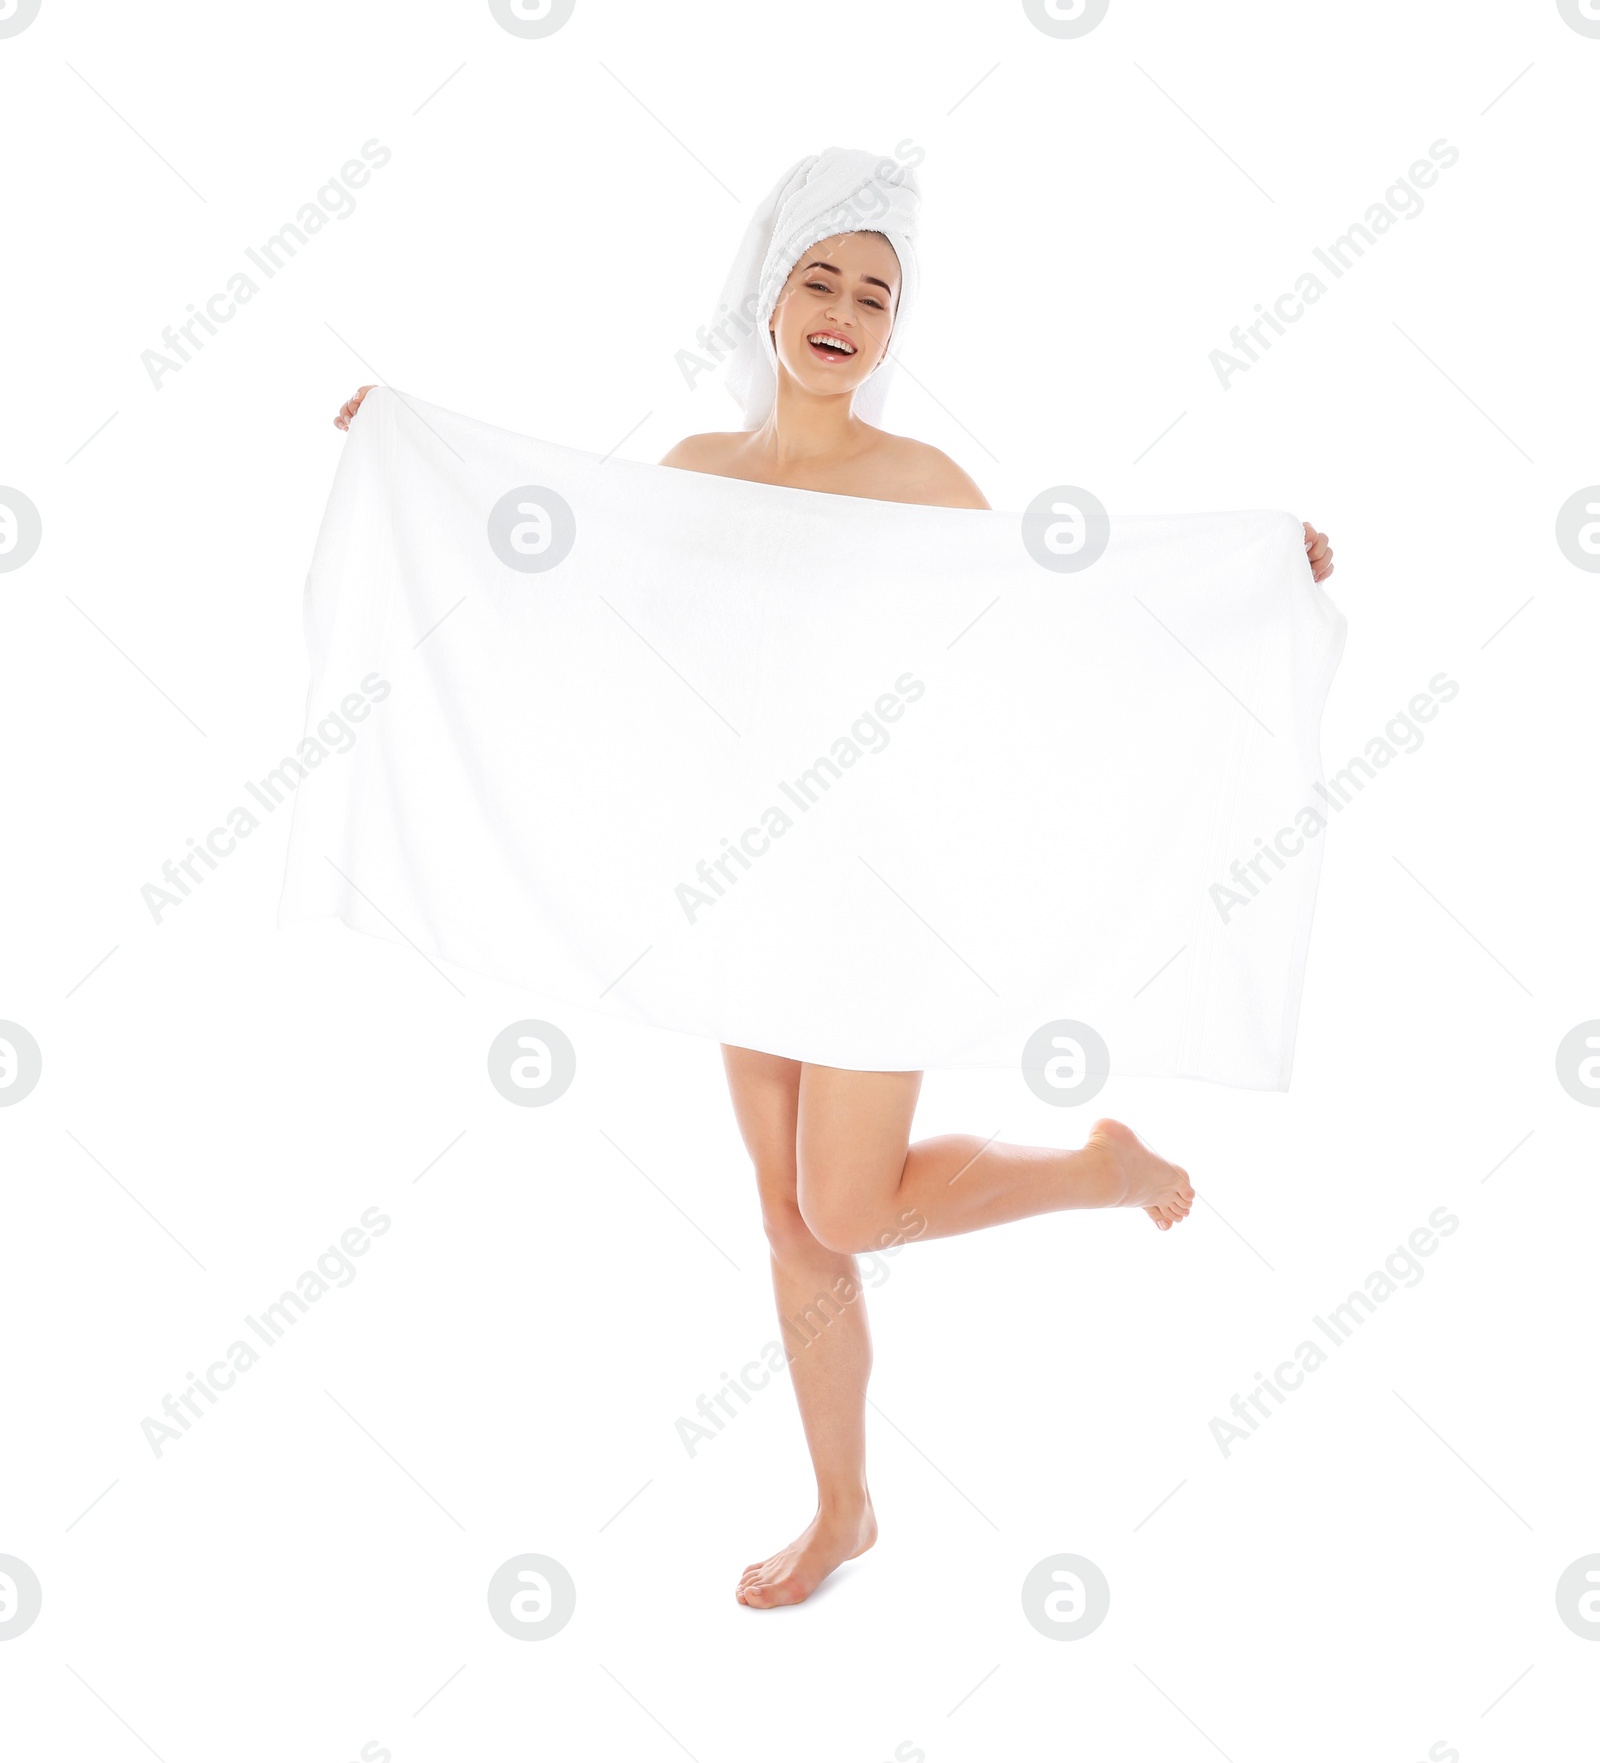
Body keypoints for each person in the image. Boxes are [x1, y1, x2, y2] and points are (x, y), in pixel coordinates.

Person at [333, 148, 1335, 1612]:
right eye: (822, 279)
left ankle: (1098, 1170)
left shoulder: (922, 485)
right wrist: (408, 457)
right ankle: (843, 1509)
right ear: (768, 292)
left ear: (890, 329)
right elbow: (575, 598)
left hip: (882, 891)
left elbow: (1053, 636)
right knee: (793, 1215)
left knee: (850, 1206)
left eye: (876, 294)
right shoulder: (692, 474)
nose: (845, 312)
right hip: (746, 885)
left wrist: (1255, 580)